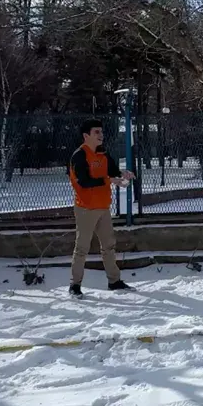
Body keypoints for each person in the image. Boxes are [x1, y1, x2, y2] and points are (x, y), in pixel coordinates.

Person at [68, 118, 135, 297]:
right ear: (86, 135)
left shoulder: (103, 153)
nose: (101, 135)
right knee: (82, 248)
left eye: (101, 131)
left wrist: (122, 174)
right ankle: (75, 285)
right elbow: (84, 181)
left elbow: (112, 171)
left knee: (109, 246)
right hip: (85, 208)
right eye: (96, 132)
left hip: (103, 208)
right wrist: (110, 180)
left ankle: (114, 281)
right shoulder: (79, 155)